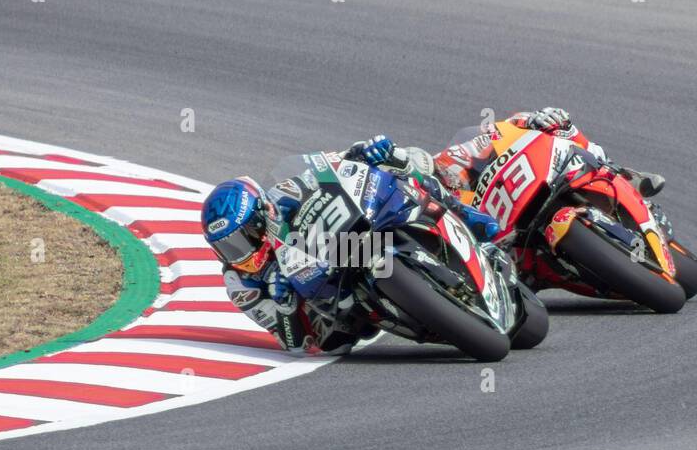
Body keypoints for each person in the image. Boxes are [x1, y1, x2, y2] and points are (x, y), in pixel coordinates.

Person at [201, 137, 500, 355]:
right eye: (227, 248)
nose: (240, 253)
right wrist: (285, 306)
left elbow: (330, 166)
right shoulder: (241, 285)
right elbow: (293, 344)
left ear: (262, 216)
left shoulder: (282, 196)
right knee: (336, 345)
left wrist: (362, 151)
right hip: (333, 314)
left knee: (402, 162)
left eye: (242, 239)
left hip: (343, 242)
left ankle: (470, 218)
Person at [431, 107, 666, 201]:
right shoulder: (447, 200)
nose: (452, 178)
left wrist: (535, 119)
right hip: (508, 234)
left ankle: (621, 175)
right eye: (447, 178)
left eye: (451, 174)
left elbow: (508, 126)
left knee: (559, 127)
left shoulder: (473, 147)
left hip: (540, 178)